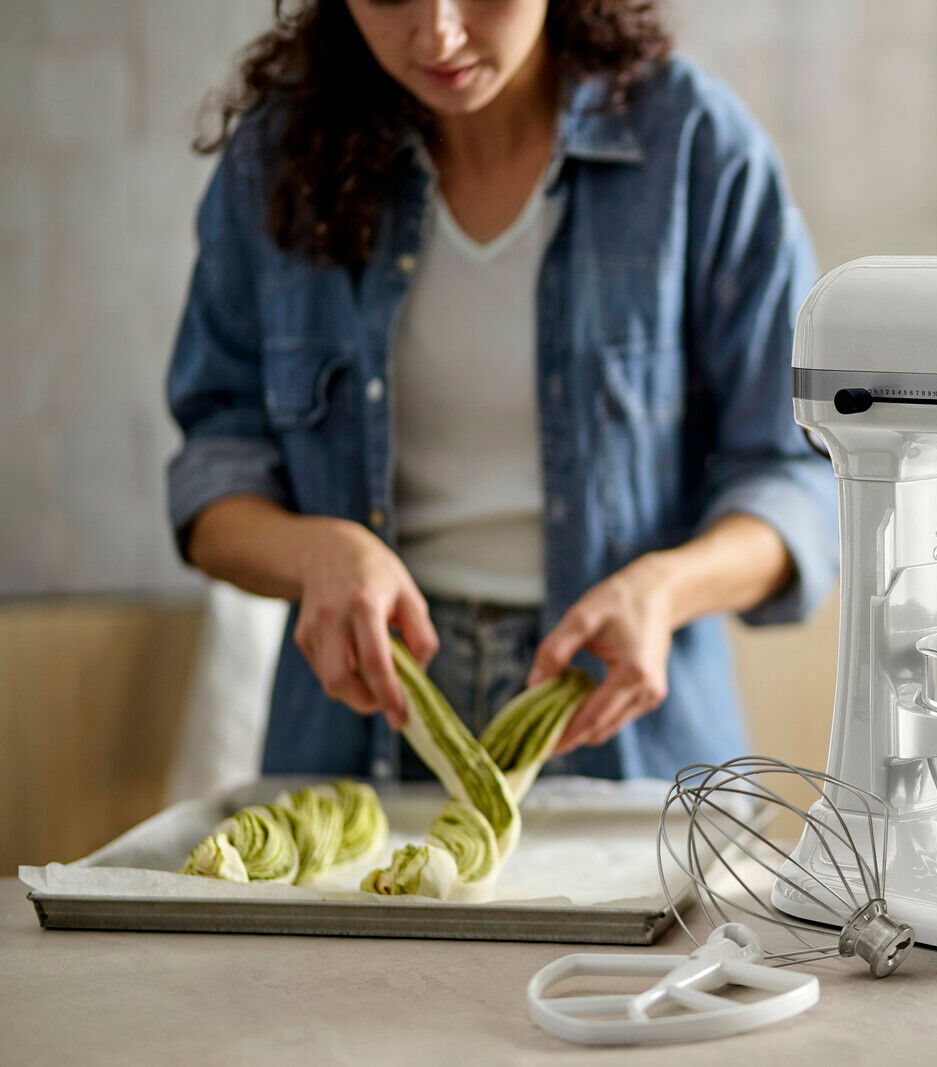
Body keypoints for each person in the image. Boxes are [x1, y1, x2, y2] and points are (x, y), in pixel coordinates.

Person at [164, 0, 836, 783]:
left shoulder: (697, 147)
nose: (439, 35)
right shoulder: (276, 158)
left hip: (632, 751)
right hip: (356, 745)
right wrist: (318, 554)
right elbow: (215, 475)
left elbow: (798, 478)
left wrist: (666, 588)